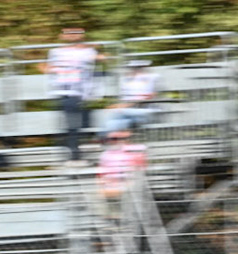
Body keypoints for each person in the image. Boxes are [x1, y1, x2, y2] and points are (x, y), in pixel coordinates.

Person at [43, 26, 104, 164]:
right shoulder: (56, 52)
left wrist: (90, 47)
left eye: (76, 33)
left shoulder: (87, 51)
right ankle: (73, 154)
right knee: (71, 124)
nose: (72, 36)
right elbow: (48, 68)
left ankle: (74, 154)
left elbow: (100, 58)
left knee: (74, 124)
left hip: (77, 92)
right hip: (61, 91)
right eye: (68, 33)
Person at [112, 58, 159, 136]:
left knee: (117, 118)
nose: (135, 71)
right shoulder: (128, 81)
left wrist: (125, 106)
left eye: (138, 68)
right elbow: (125, 98)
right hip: (130, 109)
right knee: (117, 120)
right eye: (133, 68)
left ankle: (107, 139)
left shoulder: (150, 79)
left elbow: (148, 97)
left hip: (143, 108)